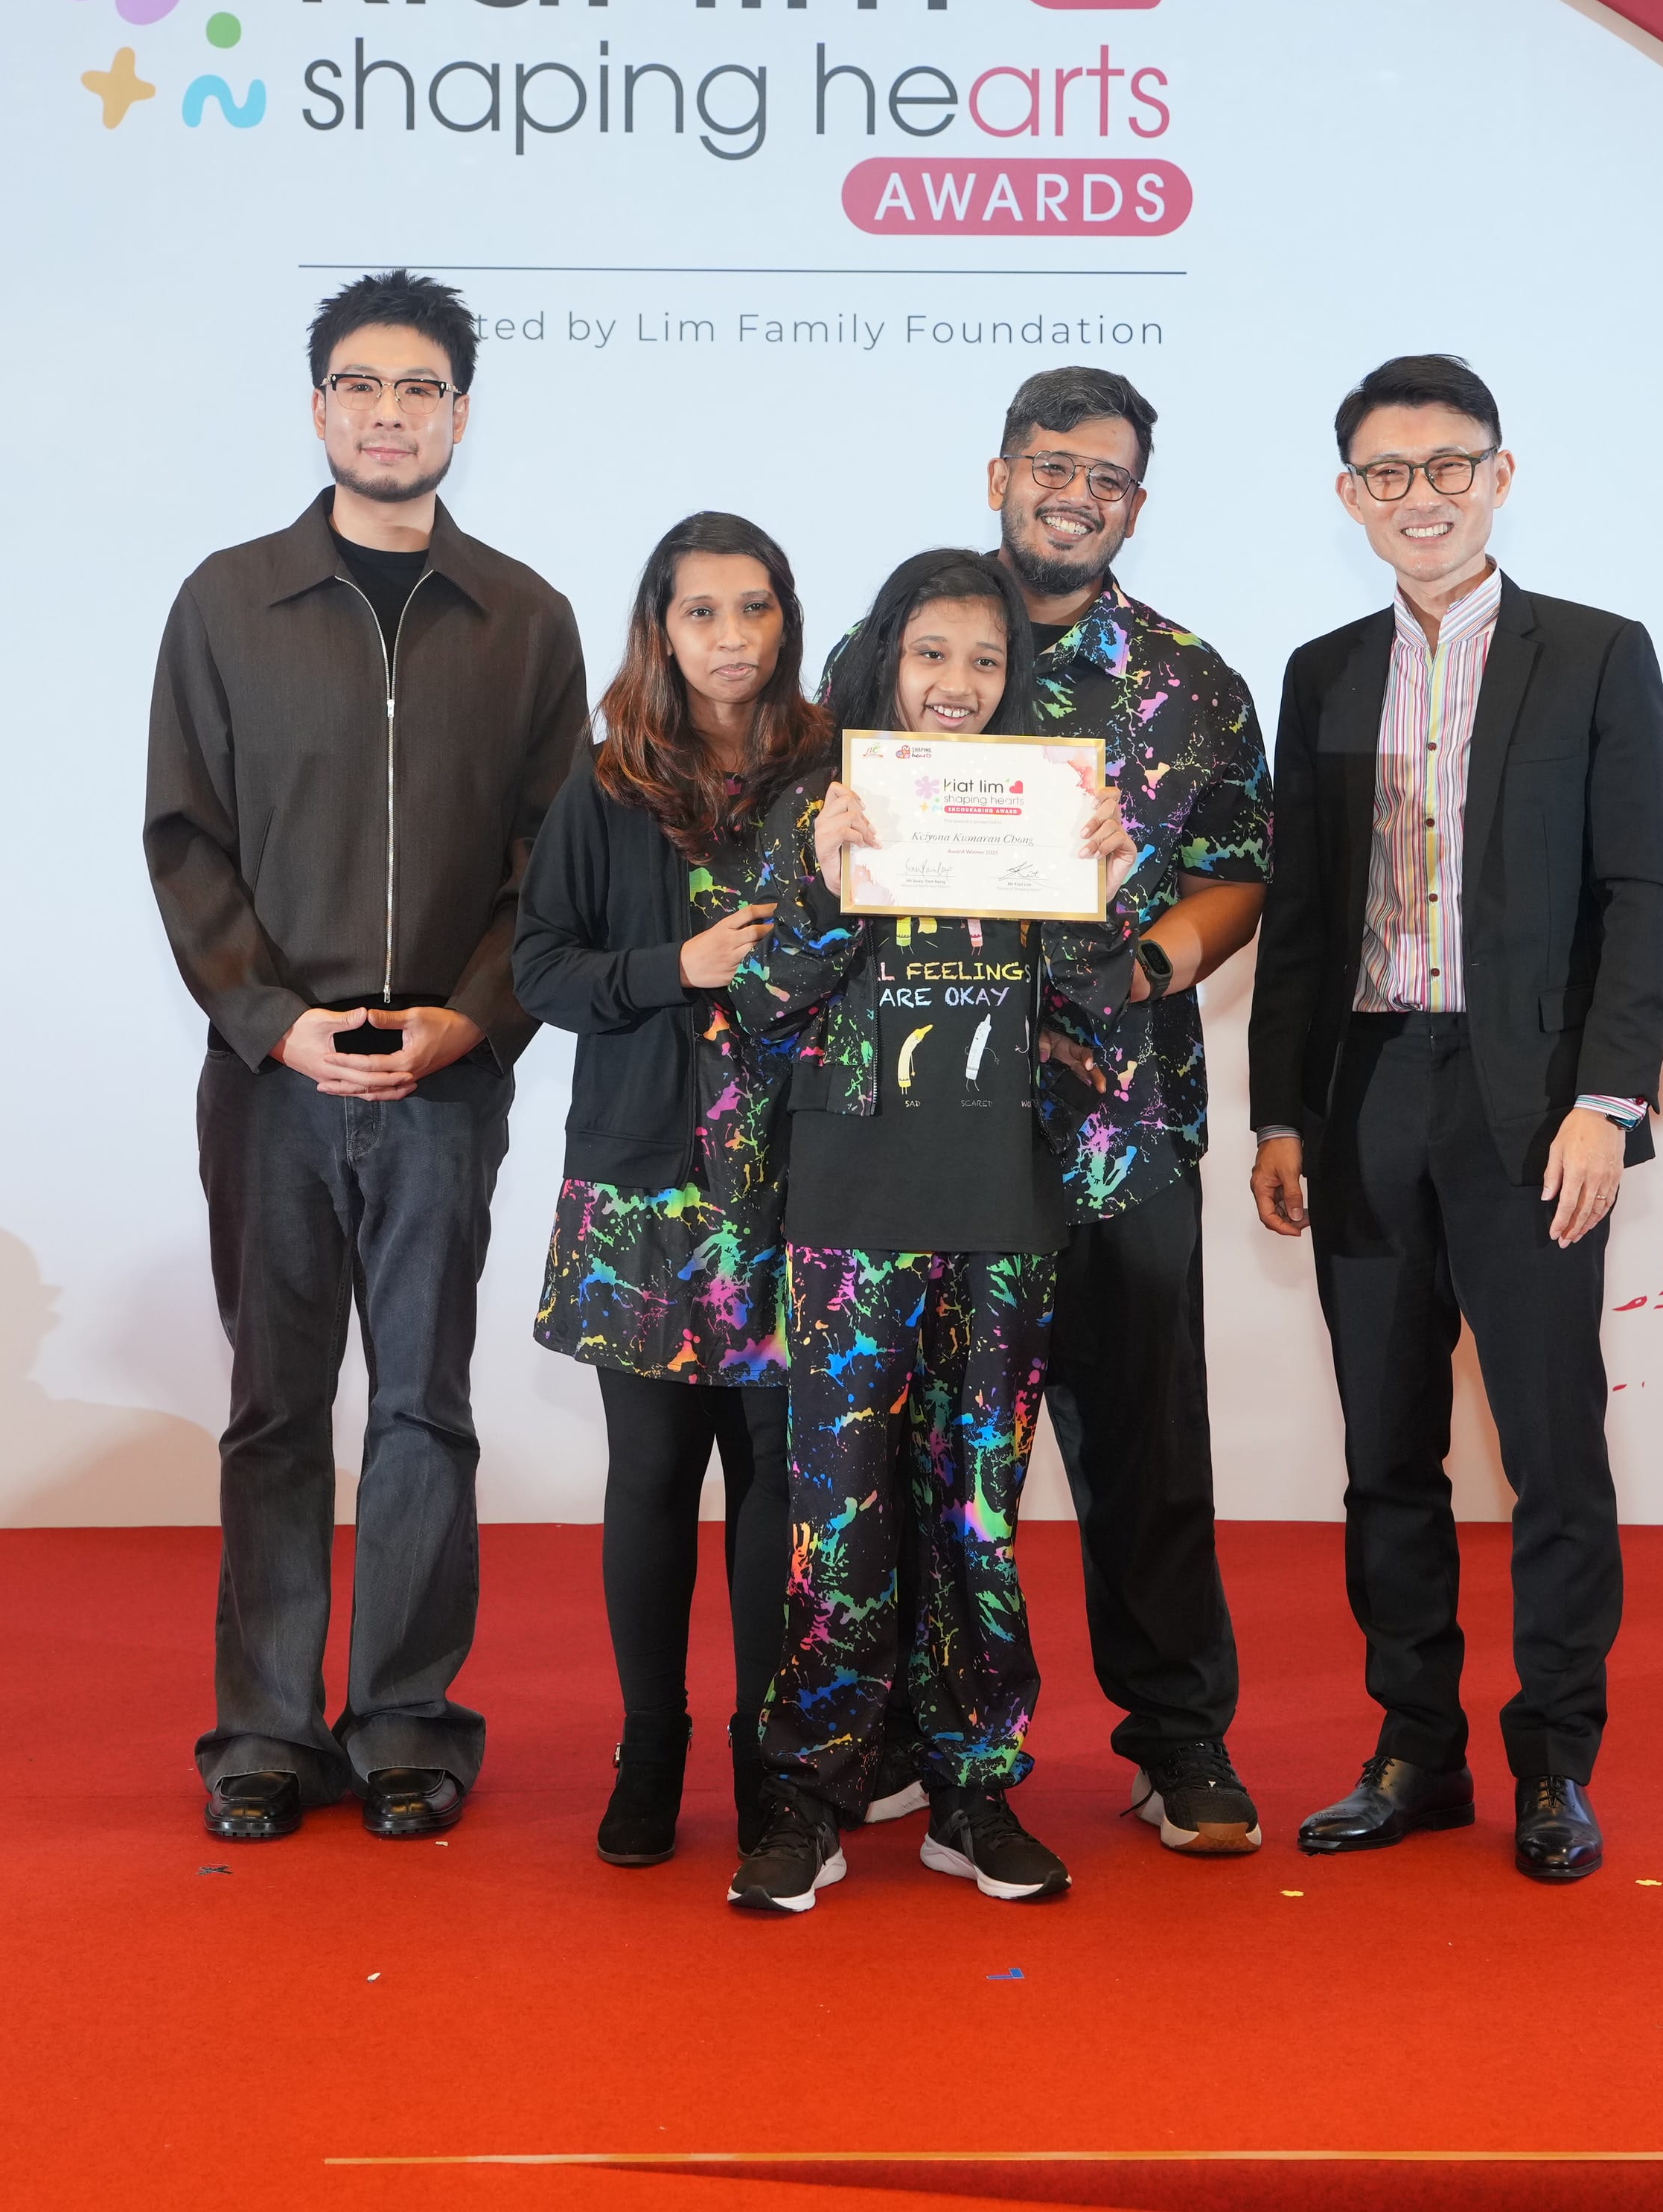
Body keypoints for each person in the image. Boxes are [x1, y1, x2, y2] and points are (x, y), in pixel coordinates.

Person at [143, 269, 589, 1846]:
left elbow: (554, 863)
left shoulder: (525, 619)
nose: (389, 413)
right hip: (273, 1079)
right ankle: (262, 1729)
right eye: (361, 385)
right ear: (318, 404)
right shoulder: (227, 600)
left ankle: (407, 1718)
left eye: (420, 389)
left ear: (461, 414)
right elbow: (186, 842)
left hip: (445, 1079)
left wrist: (474, 1018)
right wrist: (275, 1022)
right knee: (277, 1411)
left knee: (422, 1407)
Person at [1245, 354, 1663, 1884]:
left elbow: (1642, 898)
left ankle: (1555, 1761)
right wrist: (1280, 1116)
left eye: (1447, 468)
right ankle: (1414, 1749)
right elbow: (1301, 919)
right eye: (1387, 474)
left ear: (1501, 476)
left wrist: (1605, 1105)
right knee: (1386, 1452)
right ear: (1348, 495)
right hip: (1365, 1091)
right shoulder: (1319, 672)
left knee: (1553, 1448)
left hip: (1530, 1108)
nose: (1418, 497)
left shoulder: (1596, 656)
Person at [718, 549, 1137, 1918]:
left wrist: (1105, 898)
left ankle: (974, 1791)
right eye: (931, 657)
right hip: (848, 1215)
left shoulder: (1051, 811)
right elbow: (761, 1017)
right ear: (884, 660)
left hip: (999, 1214)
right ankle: (809, 1793)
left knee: (978, 1516)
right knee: (835, 1518)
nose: (956, 688)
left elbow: (1098, 1031)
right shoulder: (817, 808)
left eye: (985, 663)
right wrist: (833, 887)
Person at [978, 366, 1275, 1858]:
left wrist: (1161, 954)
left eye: (1104, 475)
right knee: (932, 1459)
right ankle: (936, 1740)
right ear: (999, 476)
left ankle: (1181, 1743)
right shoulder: (899, 649)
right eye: (1050, 464)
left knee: (1149, 1451)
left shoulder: (1188, 681)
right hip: (930, 1128)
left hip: (1125, 1126)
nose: (1073, 493)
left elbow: (1240, 868)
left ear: (1135, 504)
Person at [514, 513, 827, 1867]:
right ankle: (652, 1749)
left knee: (775, 1477)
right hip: (642, 1184)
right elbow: (542, 971)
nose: (732, 640)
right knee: (651, 1473)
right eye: (703, 613)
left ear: (786, 622)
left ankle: (771, 1758)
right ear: (659, 626)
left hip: (799, 1177)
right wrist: (673, 970)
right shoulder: (603, 784)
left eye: (755, 610)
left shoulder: (834, 778)